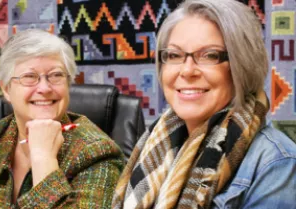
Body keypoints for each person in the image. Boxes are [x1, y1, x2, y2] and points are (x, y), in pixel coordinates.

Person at [112, 0, 296, 208]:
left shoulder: (277, 163)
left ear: (243, 65)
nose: (187, 70)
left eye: (209, 55)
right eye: (174, 55)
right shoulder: (152, 145)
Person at [0, 29, 124, 208]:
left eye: (56, 75)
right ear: (6, 89)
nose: (44, 88)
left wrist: (43, 158)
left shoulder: (97, 152)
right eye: (29, 77)